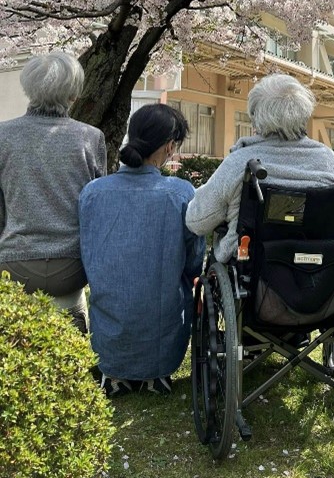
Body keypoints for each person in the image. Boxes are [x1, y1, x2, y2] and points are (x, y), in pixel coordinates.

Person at [79, 103, 205, 398]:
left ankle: (114, 373)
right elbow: (194, 261)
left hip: (108, 334)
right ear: (170, 147)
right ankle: (155, 376)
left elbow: (88, 254)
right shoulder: (181, 192)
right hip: (163, 339)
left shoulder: (92, 192)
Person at [186, 73, 334, 263]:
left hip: (253, 267)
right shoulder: (328, 160)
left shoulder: (241, 162)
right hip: (322, 266)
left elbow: (197, 221)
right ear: (304, 113)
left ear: (256, 117)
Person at [0, 50, 106, 333]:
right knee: (74, 310)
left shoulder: (2, 136)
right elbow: (97, 210)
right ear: (73, 95)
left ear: (28, 88)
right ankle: (76, 335)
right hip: (72, 268)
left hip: (14, 265)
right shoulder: (91, 138)